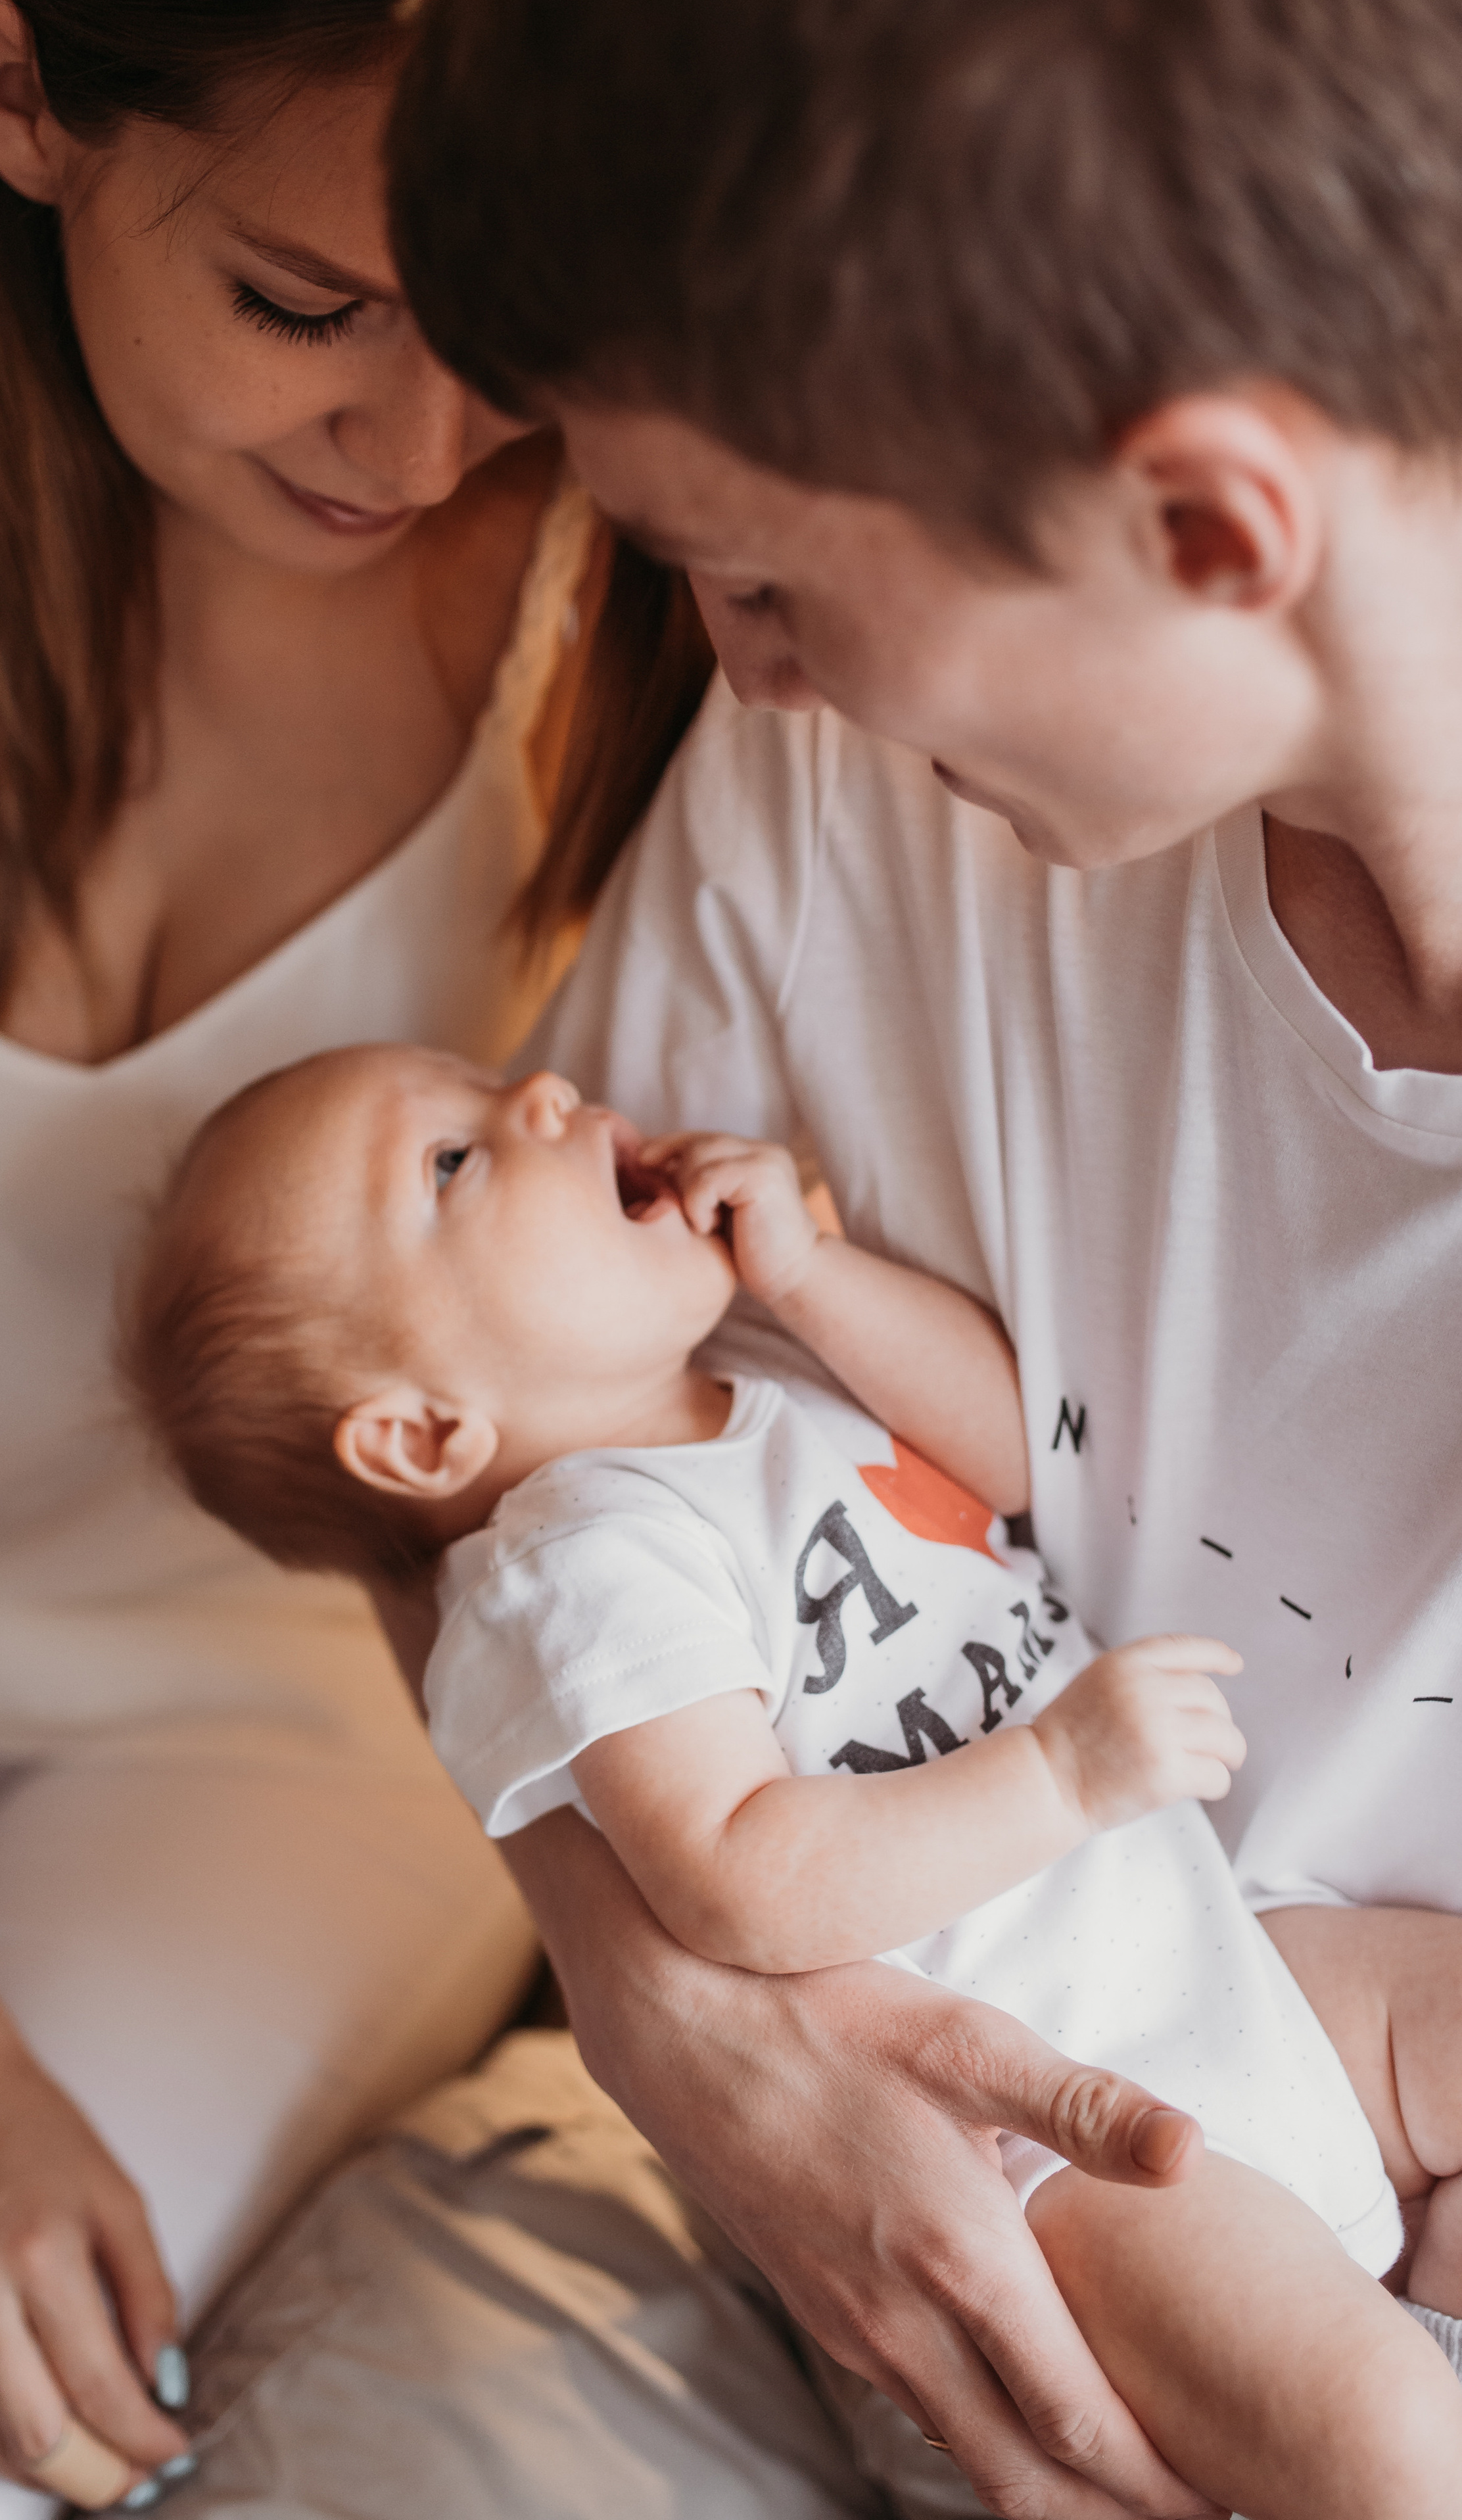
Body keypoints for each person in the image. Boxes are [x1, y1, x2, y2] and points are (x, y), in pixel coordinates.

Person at [372, 0, 1462, 2512]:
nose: (742, 673)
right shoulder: (839, 796)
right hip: (975, 2216)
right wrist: (681, 2009)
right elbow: (485, 1480)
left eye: (764, 580)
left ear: (1211, 531)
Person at [0, 0, 710, 2510]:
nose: (422, 444)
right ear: (18, 90)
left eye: (499, 326)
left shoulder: (630, 613)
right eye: (307, 308)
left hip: (288, 1715)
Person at [122, 1038, 1461, 2519]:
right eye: (453, 1159)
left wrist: (811, 1273)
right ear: (423, 1432)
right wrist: (1059, 1772)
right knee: (1391, 2449)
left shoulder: (756, 1365)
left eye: (487, 1082)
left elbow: (1019, 1457)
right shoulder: (570, 1568)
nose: (542, 1097)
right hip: (1057, 2130)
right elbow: (744, 1878)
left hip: (1226, 1949)